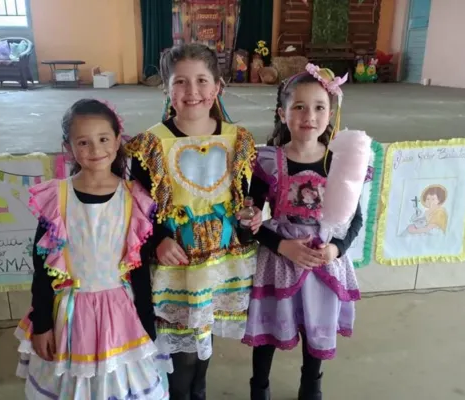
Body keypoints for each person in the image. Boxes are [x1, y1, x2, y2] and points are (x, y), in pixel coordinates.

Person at [125, 43, 262, 400]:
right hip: (177, 264)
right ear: (167, 88)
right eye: (181, 82)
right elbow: (137, 207)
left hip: (221, 262)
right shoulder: (152, 144)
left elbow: (248, 194)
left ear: (218, 86)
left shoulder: (238, 139)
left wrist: (253, 213)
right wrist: (158, 239)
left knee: (204, 350)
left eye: (202, 80)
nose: (192, 91)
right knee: (182, 358)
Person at [14, 99, 171, 399]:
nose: (96, 149)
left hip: (122, 316)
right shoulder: (57, 199)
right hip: (70, 318)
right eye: (83, 142)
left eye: (103, 139)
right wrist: (42, 323)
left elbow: (139, 270)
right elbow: (43, 268)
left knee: (120, 383)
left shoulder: (134, 198)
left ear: (117, 140)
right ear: (68, 147)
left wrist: (147, 322)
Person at [242, 65, 364, 400]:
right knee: (268, 330)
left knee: (316, 330)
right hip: (279, 260)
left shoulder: (342, 164)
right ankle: (259, 387)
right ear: (282, 114)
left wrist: (335, 250)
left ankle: (311, 386)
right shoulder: (268, 162)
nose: (309, 115)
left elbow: (355, 219)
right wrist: (281, 244)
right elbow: (250, 219)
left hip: (323, 262)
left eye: (319, 107)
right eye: (299, 106)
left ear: (330, 114)